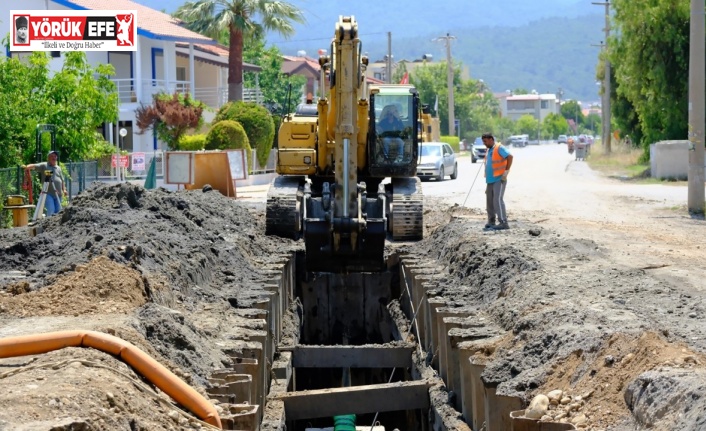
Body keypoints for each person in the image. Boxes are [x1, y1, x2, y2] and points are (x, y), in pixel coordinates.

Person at [482, 133, 513, 230]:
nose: (484, 144)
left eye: (485, 141)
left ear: (491, 139)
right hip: (490, 180)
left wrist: (506, 171)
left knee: (497, 200)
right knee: (490, 201)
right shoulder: (489, 150)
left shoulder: (499, 148)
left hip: (499, 179)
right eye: (483, 142)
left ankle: (503, 222)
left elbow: (510, 156)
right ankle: (491, 221)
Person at [23, 151, 67, 217]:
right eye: (52, 156)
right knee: (51, 210)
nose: (54, 158)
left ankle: (57, 226)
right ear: (48, 158)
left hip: (58, 194)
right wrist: (27, 167)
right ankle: (50, 225)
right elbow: (35, 166)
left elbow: (62, 180)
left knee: (58, 211)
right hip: (48, 193)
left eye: (55, 156)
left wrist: (64, 190)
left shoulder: (58, 168)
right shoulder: (44, 165)